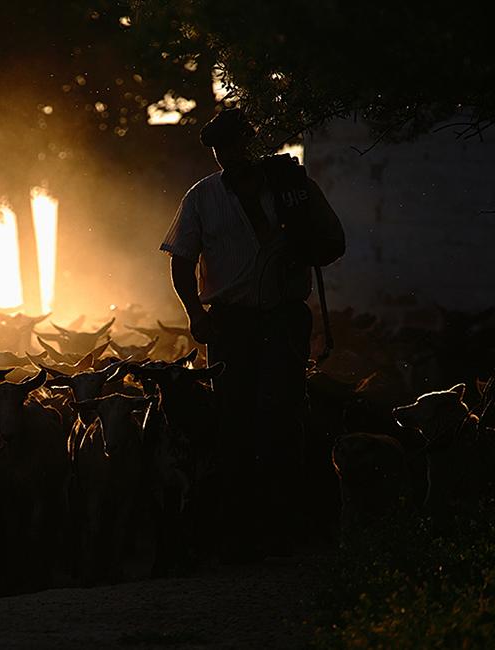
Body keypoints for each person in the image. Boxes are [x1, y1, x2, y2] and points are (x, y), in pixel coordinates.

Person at [160, 108, 345, 559]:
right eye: (221, 150)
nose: (229, 157)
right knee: (232, 417)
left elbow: (334, 242)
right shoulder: (202, 197)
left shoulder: (291, 189)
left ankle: (290, 520)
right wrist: (194, 313)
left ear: (252, 143)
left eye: (236, 146)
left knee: (278, 411)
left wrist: (299, 245)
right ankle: (238, 527)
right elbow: (181, 261)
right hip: (230, 322)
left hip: (282, 317)